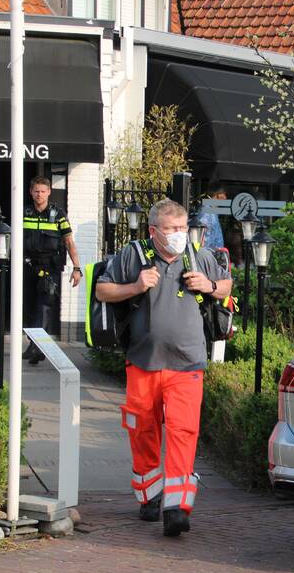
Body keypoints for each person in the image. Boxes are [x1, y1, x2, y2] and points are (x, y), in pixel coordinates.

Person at [95, 199, 232, 537]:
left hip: (188, 363)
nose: (179, 235)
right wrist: (135, 287)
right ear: (154, 231)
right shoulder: (133, 255)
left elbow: (227, 285)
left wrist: (210, 287)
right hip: (143, 362)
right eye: (172, 229)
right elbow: (102, 289)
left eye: (183, 228)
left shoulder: (199, 255)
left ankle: (177, 508)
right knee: (142, 429)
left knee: (184, 432)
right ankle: (150, 497)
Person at [0, 176, 82, 365]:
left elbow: (68, 242)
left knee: (44, 306)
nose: (39, 194)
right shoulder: (23, 212)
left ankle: (36, 346)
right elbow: (10, 238)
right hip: (26, 266)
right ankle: (37, 346)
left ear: (49, 192)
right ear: (30, 192)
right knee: (28, 307)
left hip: (50, 267)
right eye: (36, 191)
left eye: (43, 191)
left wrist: (77, 268)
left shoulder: (58, 214)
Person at [199, 187, 226, 251]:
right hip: (210, 255)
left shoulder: (212, 211)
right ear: (219, 195)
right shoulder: (207, 212)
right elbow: (204, 239)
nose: (225, 198)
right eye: (224, 194)